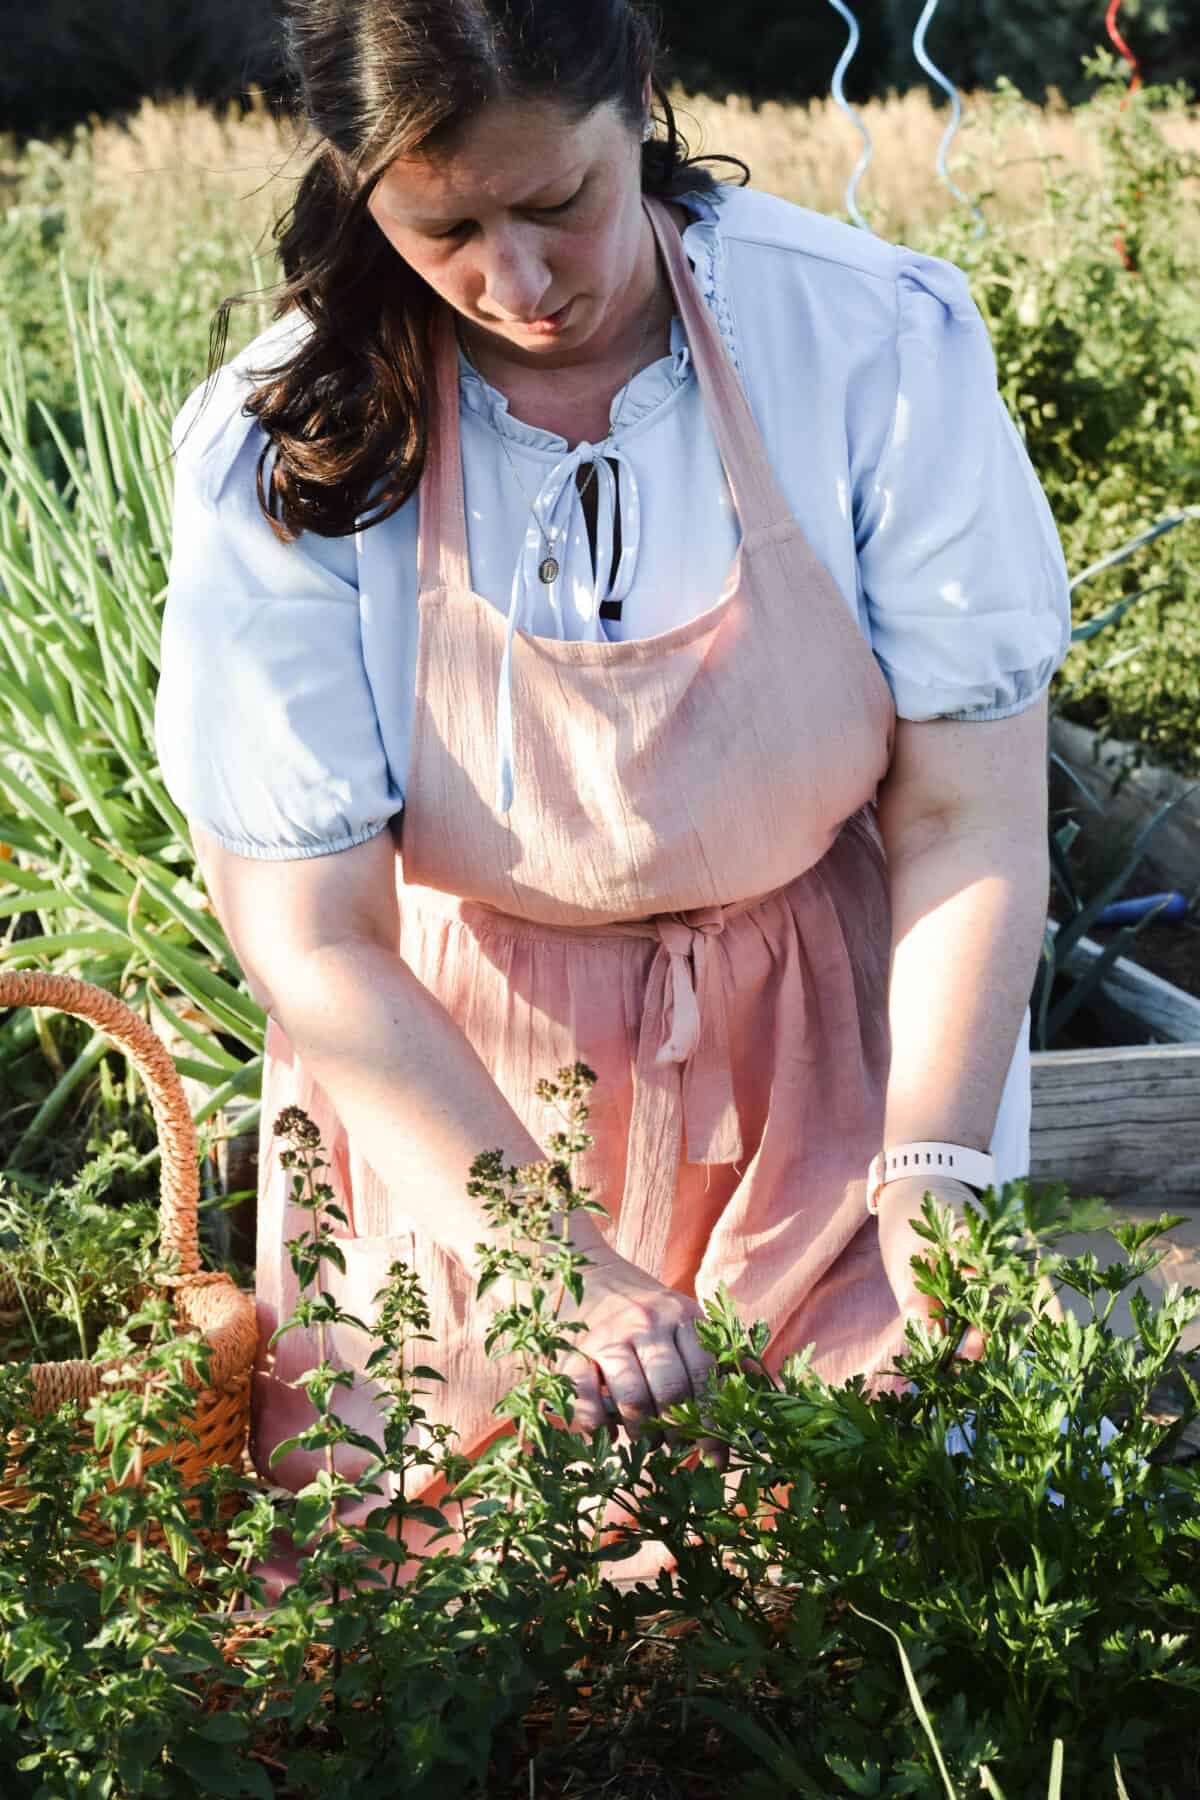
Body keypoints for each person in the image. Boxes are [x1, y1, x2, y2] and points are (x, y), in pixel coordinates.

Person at [154, 0, 1072, 1586]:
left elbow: (964, 815)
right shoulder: (286, 447)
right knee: (458, 1597)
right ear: (358, 179)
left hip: (834, 1060)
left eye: (560, 202)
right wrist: (545, 1256)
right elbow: (315, 938)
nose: (517, 283)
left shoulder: (863, 339)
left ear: (638, 100)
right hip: (462, 1097)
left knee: (873, 1569)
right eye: (445, 227)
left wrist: (934, 1163)